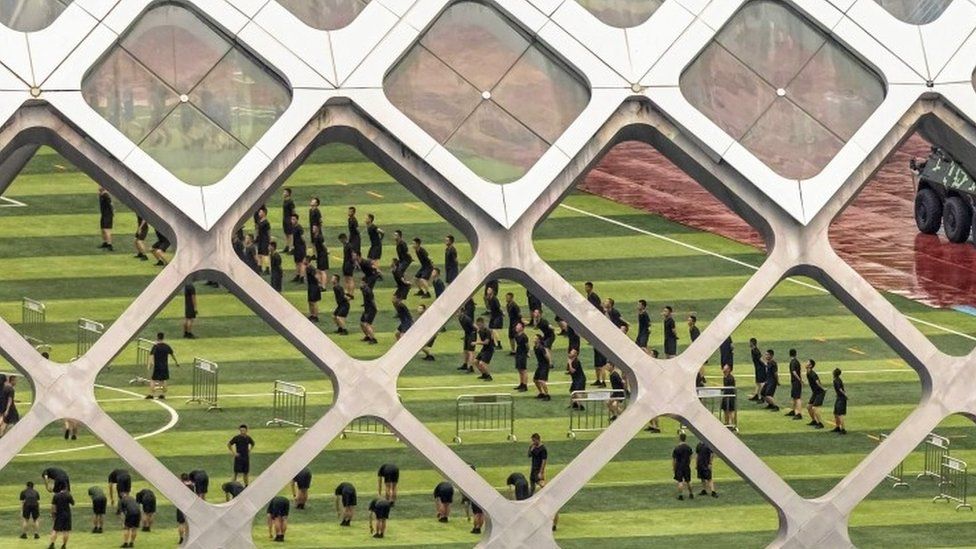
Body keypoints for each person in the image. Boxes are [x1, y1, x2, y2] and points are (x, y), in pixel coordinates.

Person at [146, 332, 177, 400]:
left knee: (153, 380)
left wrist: (149, 365)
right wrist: (176, 362)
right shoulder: (167, 346)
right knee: (163, 380)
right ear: (163, 337)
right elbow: (172, 354)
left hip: (157, 366)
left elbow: (151, 356)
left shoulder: (155, 346)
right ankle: (163, 394)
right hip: (165, 366)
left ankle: (151, 394)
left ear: (157, 337)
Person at [460, 466, 484, 534]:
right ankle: (479, 528)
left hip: (475, 497)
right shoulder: (478, 478)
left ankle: (475, 528)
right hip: (483, 497)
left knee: (476, 514)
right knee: (481, 513)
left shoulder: (468, 480)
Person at [48, 484, 74, 549]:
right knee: (66, 530)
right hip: (67, 515)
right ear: (66, 488)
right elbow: (73, 503)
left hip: (59, 514)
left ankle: (52, 544)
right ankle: (64, 545)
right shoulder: (68, 495)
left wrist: (53, 514)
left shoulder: (56, 496)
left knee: (55, 530)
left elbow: (53, 506)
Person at [672, 433, 694, 500]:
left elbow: (674, 460)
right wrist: (688, 463)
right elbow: (690, 457)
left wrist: (674, 468)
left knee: (680, 481)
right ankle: (691, 494)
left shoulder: (677, 448)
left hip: (679, 467)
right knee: (688, 481)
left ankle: (681, 495)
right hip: (686, 466)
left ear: (679, 438)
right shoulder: (689, 448)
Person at [806, 360, 826, 429]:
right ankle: (814, 421)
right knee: (808, 407)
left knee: (814, 408)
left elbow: (817, 382)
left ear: (811, 365)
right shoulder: (808, 372)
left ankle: (820, 423)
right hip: (815, 392)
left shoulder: (812, 374)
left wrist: (823, 388)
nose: (806, 364)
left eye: (807, 363)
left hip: (820, 392)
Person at [474, 317, 495, 381]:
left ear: (483, 323)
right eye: (477, 325)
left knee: (481, 363)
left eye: (480, 325)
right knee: (475, 362)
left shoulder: (487, 331)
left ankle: (489, 376)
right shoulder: (480, 331)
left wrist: (476, 343)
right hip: (484, 349)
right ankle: (484, 374)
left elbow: (486, 342)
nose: (479, 326)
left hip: (489, 349)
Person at [358, 278, 378, 344]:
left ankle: (374, 339)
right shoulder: (364, 289)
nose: (360, 284)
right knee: (362, 323)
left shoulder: (368, 290)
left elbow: (372, 300)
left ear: (365, 283)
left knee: (367, 324)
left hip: (371, 310)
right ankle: (368, 336)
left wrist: (374, 308)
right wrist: (364, 304)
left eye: (362, 283)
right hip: (367, 309)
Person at [511, 322, 530, 392]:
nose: (516, 327)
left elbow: (527, 346)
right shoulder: (516, 335)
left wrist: (527, 352)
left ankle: (525, 386)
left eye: (518, 326)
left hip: (522, 354)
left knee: (523, 370)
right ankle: (521, 384)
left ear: (522, 328)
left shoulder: (524, 336)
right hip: (518, 353)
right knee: (519, 369)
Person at [532, 334, 551, 401]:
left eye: (535, 338)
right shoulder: (535, 347)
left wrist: (549, 363)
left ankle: (547, 395)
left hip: (544, 366)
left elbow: (546, 356)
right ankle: (541, 393)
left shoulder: (541, 348)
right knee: (535, 380)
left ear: (539, 340)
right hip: (540, 365)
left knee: (542, 381)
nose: (534, 340)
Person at [176, 473, 194, 544]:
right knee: (188, 523)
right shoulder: (192, 486)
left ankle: (181, 538)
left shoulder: (181, 486)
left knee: (181, 523)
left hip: (181, 505)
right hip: (189, 506)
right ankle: (188, 538)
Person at [787, 349, 804, 420]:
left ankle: (799, 413)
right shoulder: (796, 361)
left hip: (796, 382)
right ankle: (794, 410)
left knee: (797, 398)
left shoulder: (793, 362)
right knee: (794, 397)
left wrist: (800, 380)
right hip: (795, 382)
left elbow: (794, 372)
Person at [458, 307, 476, 373]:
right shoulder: (460, 318)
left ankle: (471, 367)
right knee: (465, 350)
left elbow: (475, 327)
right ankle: (465, 365)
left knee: (471, 351)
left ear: (462, 312)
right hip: (467, 334)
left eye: (458, 311)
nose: (456, 313)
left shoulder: (467, 319)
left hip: (472, 334)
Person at [290, 214, 307, 283]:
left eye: (293, 219)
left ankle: (302, 277)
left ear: (297, 220)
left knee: (301, 263)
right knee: (297, 262)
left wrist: (305, 246)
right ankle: (297, 275)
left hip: (300, 247)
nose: (292, 221)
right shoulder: (294, 227)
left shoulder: (299, 228)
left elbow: (303, 237)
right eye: (291, 219)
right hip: (296, 247)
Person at [311, 224, 329, 288]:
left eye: (314, 228)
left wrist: (327, 251)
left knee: (322, 271)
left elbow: (324, 245)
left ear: (317, 229)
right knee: (318, 270)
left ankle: (323, 286)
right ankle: (320, 284)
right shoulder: (315, 237)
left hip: (322, 255)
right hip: (319, 255)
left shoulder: (319, 237)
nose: (312, 229)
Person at [721, 364, 737, 429]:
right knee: (725, 410)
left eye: (725, 368)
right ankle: (727, 422)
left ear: (729, 370)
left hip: (730, 396)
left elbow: (728, 388)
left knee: (730, 411)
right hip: (726, 395)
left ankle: (732, 424)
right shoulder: (725, 377)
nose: (723, 370)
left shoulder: (730, 378)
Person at [833, 368, 848, 435]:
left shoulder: (837, 380)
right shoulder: (836, 380)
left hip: (841, 399)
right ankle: (837, 427)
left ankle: (843, 429)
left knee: (840, 414)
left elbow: (840, 389)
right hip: (839, 398)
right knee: (836, 413)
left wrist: (845, 395)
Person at [255, 207, 271, 272]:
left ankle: (267, 268)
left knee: (265, 254)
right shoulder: (259, 221)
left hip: (265, 239)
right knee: (259, 253)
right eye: (259, 212)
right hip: (260, 239)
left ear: (264, 213)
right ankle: (259, 267)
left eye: (260, 212)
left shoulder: (266, 222)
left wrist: (269, 240)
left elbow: (269, 232)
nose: (259, 213)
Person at [98, 187, 114, 251]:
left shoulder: (106, 195)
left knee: (106, 230)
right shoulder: (102, 195)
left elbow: (111, 204)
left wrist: (112, 213)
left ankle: (110, 245)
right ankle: (105, 242)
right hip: (104, 215)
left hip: (108, 215)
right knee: (103, 229)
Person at [281, 188, 296, 252]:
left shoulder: (290, 202)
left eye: (285, 192)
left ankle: (291, 248)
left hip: (289, 219)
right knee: (286, 233)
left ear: (288, 193)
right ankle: (287, 247)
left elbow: (293, 211)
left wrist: (293, 219)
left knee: (290, 234)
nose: (283, 193)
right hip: (285, 219)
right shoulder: (285, 201)